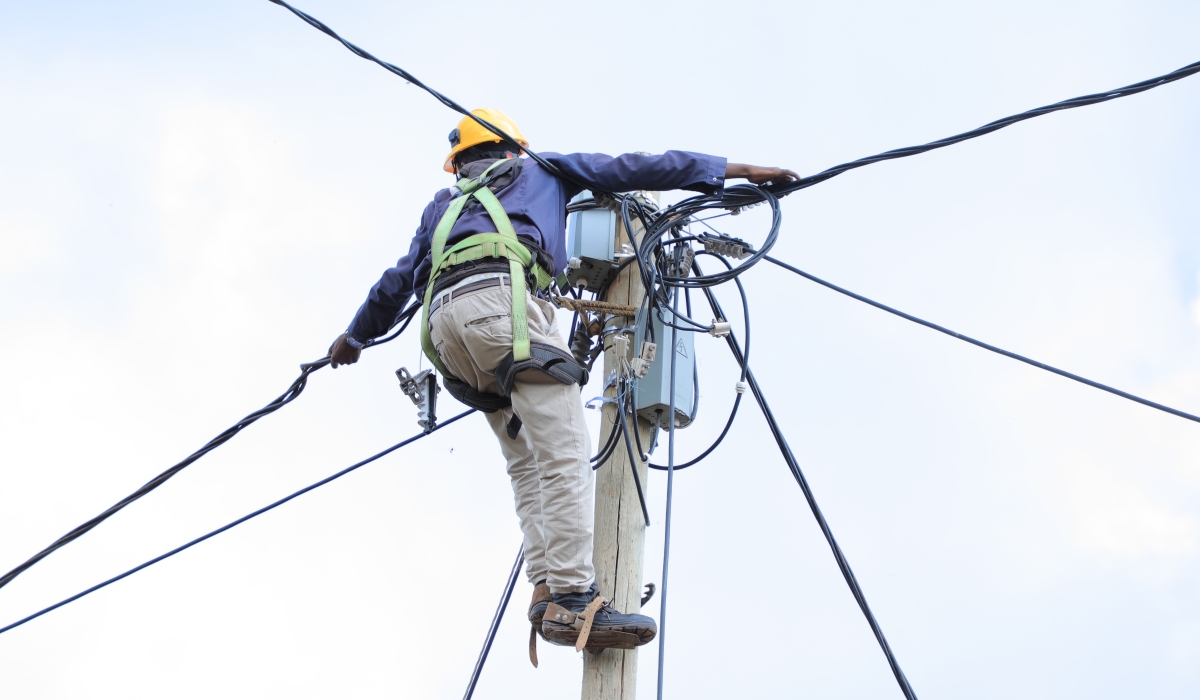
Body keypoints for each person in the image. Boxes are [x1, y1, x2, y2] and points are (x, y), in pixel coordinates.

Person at [327, 108, 797, 655]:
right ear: (513, 150)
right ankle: (575, 598)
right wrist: (739, 170)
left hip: (446, 337)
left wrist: (353, 339)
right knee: (565, 451)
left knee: (526, 459)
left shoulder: (443, 206)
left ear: (461, 163)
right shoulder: (543, 169)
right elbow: (638, 167)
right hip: (504, 311)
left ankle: (546, 585)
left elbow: (395, 284)